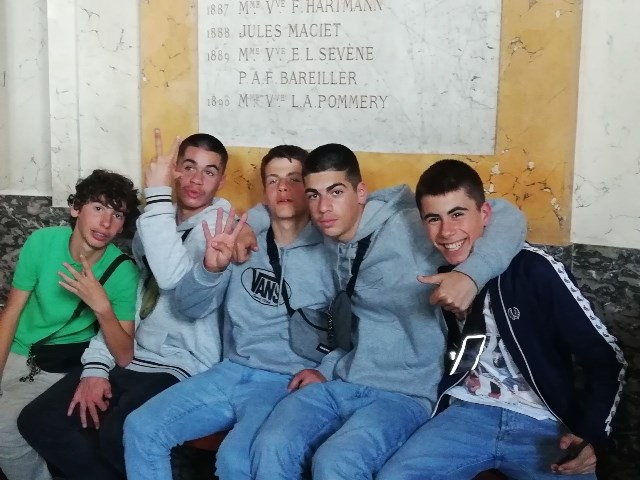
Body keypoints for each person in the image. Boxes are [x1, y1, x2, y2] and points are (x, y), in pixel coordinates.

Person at [250, 144, 527, 479]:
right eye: (313, 195)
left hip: (406, 391)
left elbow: (506, 215)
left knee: (337, 461)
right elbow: (273, 216)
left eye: (336, 192)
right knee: (271, 443)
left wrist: (470, 275)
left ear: (360, 192)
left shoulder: (409, 224)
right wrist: (328, 367)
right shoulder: (328, 233)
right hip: (346, 377)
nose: (323, 207)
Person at [376, 159, 627, 479]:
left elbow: (606, 357)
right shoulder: (432, 273)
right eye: (434, 219)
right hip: (465, 412)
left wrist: (592, 434)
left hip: (541, 420)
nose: (447, 231)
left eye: (457, 214)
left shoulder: (534, 269)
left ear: (484, 214)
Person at [17, 131, 232, 480]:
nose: (196, 179)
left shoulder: (220, 229)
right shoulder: (155, 222)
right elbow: (130, 304)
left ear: (221, 181)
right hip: (133, 353)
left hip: (182, 363)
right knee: (39, 421)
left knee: (118, 433)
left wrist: (158, 193)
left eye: (209, 171)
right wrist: (96, 367)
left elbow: (172, 280)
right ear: (176, 169)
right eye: (189, 166)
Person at [123, 145, 341, 480]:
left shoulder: (333, 253)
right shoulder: (239, 239)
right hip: (231, 370)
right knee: (141, 428)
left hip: (288, 381)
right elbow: (189, 307)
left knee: (237, 459)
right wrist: (210, 269)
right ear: (264, 190)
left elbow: (356, 332)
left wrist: (326, 369)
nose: (283, 188)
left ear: (309, 187)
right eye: (273, 180)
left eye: (294, 179)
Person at [0, 169, 140, 480]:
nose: (106, 222)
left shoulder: (122, 272)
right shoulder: (43, 242)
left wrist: (101, 306)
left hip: (57, 366)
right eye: (98, 207)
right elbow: (11, 313)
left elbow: (124, 355)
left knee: (4, 429)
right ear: (76, 208)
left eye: (117, 214)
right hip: (16, 350)